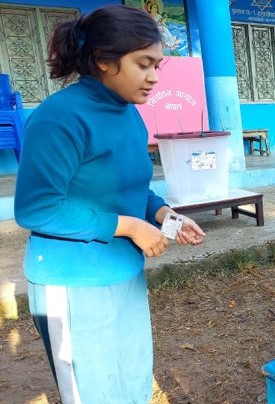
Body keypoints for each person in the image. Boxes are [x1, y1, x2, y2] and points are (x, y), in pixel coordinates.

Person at [13, 5, 205, 402]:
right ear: (103, 61)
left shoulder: (129, 114)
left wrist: (161, 213)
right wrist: (131, 226)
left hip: (123, 272)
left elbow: (131, 188)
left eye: (158, 66)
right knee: (93, 392)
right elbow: (37, 208)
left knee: (132, 382)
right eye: (143, 64)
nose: (153, 77)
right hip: (72, 280)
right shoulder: (59, 118)